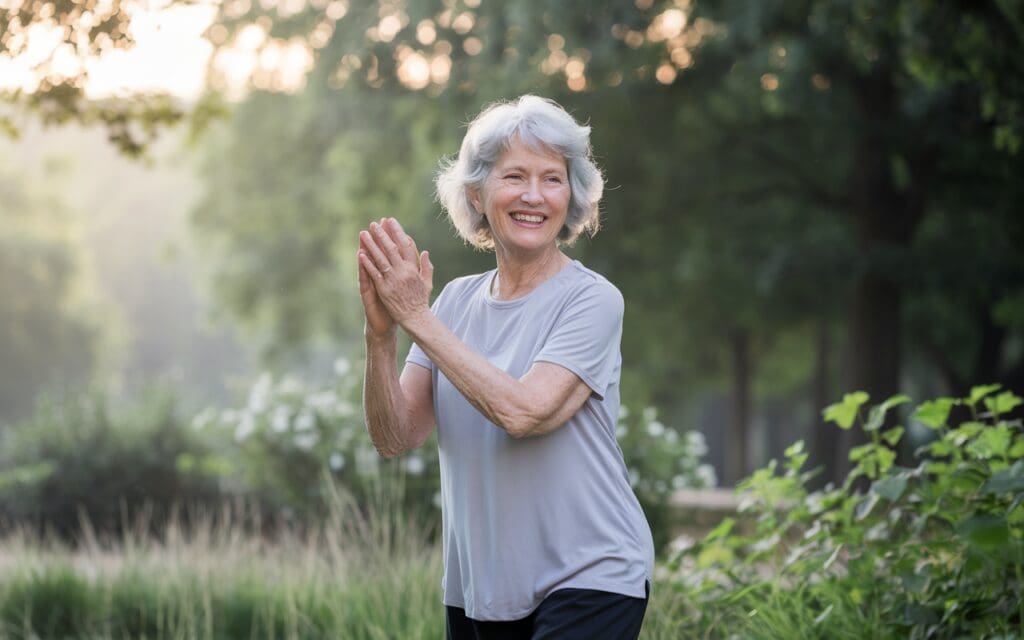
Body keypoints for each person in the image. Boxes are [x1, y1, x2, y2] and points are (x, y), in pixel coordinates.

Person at [358, 95, 654, 640]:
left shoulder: (591, 300)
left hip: (591, 573)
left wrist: (416, 318)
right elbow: (396, 436)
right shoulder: (451, 304)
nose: (535, 196)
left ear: (574, 194)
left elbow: (525, 412)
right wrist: (382, 336)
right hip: (482, 589)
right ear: (476, 193)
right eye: (515, 176)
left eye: (553, 179)